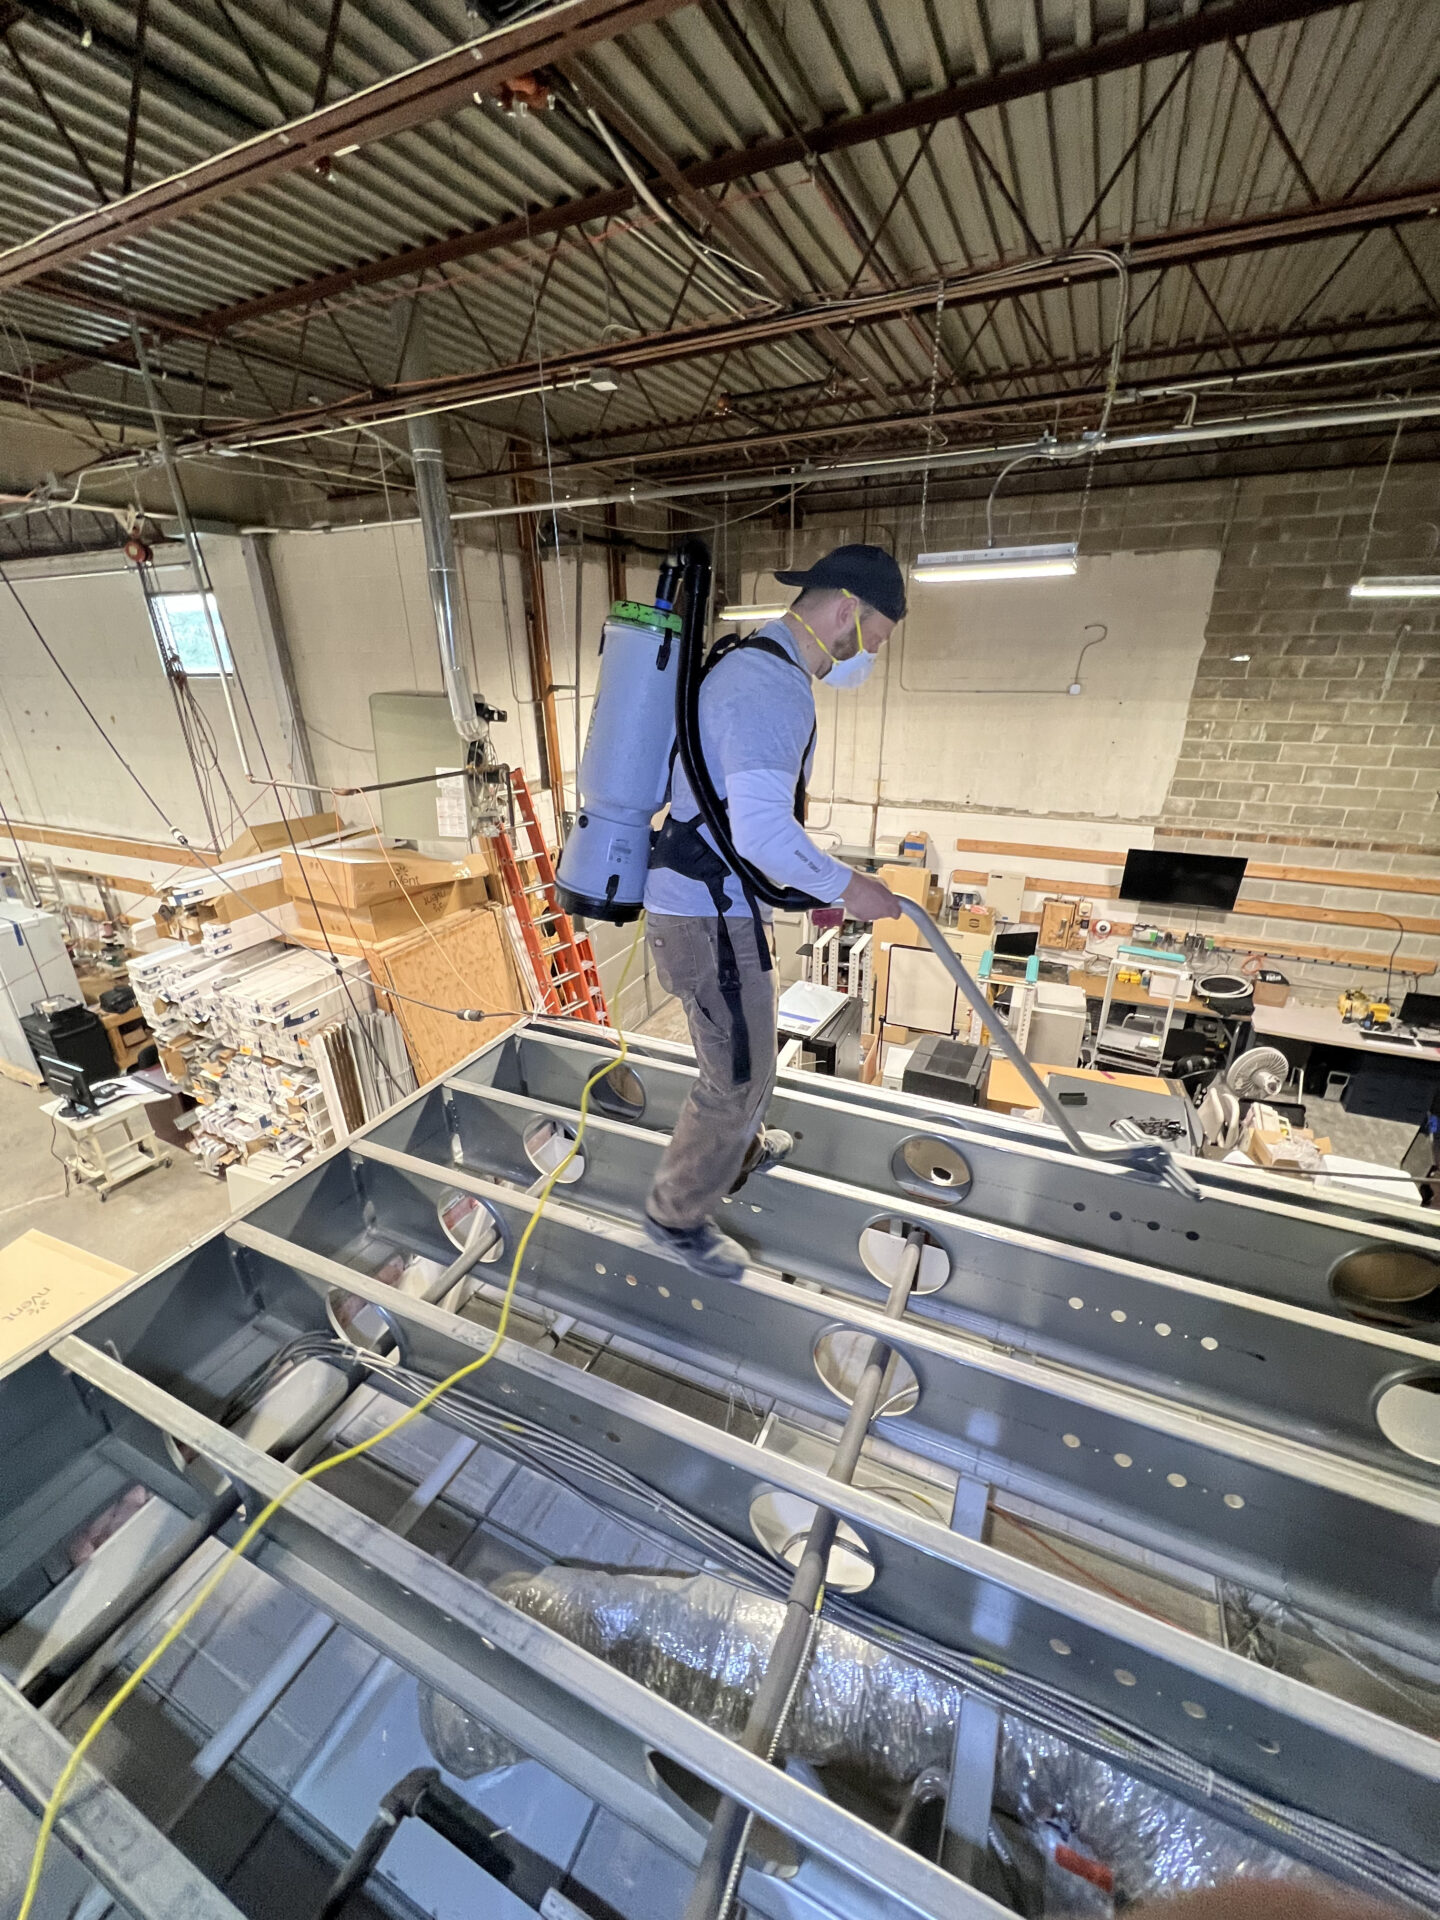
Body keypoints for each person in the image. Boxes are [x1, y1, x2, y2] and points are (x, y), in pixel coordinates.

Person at [642, 542, 906, 1281]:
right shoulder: (769, 688)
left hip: (714, 910)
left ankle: (740, 1151)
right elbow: (762, 834)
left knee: (747, 1060)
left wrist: (831, 883)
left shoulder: (755, 666)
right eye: (878, 636)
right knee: (736, 1076)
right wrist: (851, 888)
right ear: (847, 607)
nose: (872, 655)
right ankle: (675, 1217)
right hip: (705, 916)